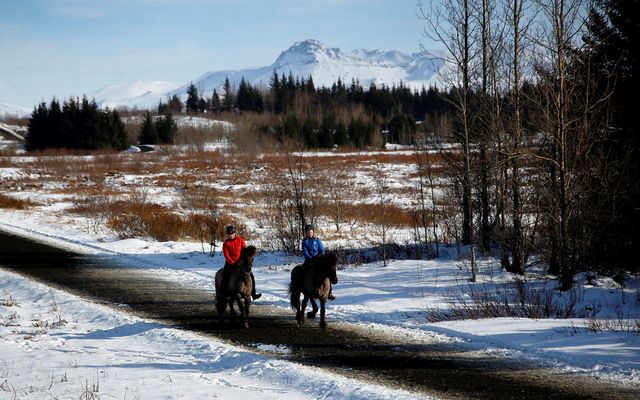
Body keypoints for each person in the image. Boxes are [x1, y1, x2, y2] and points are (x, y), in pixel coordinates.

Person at [220, 225, 261, 300]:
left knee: (251, 275)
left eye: (232, 234)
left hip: (240, 263)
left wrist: (245, 260)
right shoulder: (226, 243)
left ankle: (253, 293)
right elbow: (226, 254)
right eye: (229, 234)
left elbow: (245, 251)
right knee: (225, 275)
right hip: (230, 263)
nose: (231, 235)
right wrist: (232, 262)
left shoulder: (240, 240)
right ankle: (222, 293)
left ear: (235, 233)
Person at [301, 224, 335, 300]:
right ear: (306, 233)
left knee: (327, 273)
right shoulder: (304, 241)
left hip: (318, 260)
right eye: (308, 232)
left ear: (313, 232)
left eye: (311, 231)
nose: (310, 233)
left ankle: (330, 292)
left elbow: (322, 250)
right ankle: (303, 287)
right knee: (303, 271)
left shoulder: (317, 240)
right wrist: (310, 258)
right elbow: (305, 252)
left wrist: (320, 256)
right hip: (309, 260)